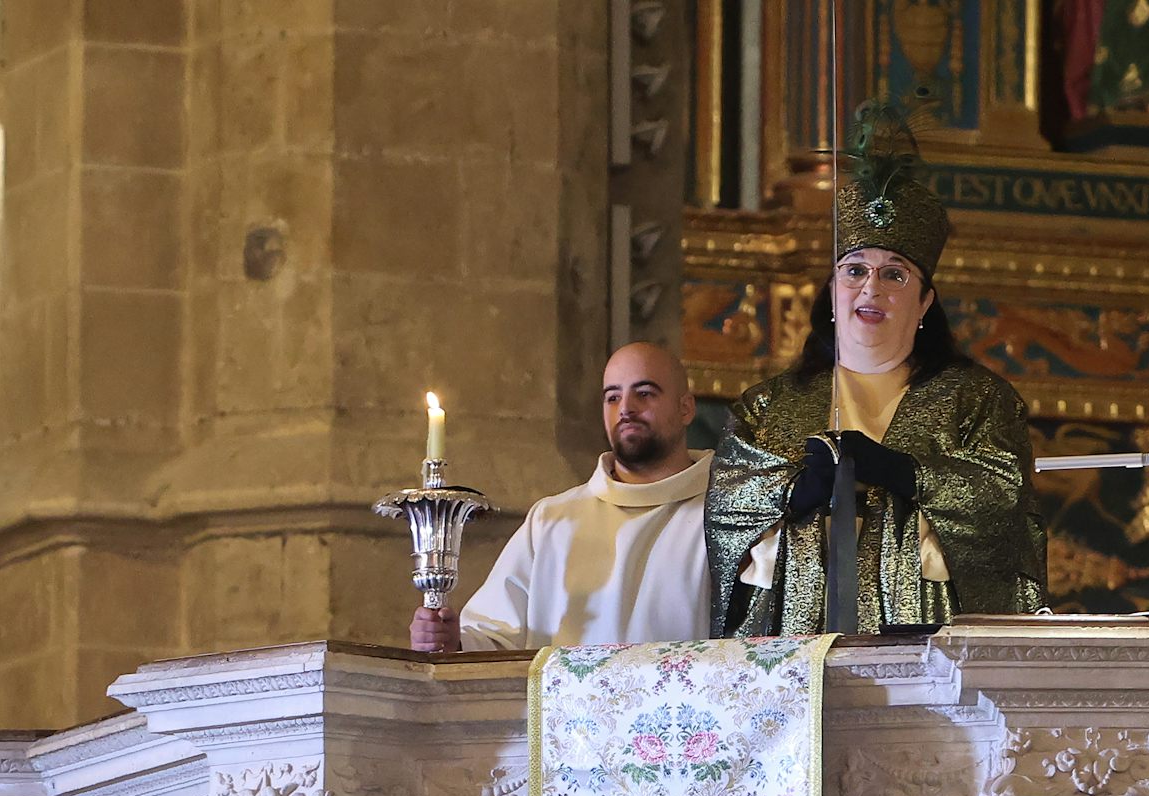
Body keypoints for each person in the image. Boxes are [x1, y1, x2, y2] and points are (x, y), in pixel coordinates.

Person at [706, 103, 1047, 637]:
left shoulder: (977, 399)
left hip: (925, 629)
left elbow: (1003, 502)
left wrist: (906, 473)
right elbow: (729, 503)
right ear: (834, 294)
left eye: (895, 275)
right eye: (855, 270)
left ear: (925, 303)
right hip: (796, 634)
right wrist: (794, 493)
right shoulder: (767, 406)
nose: (872, 288)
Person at [410, 342, 711, 651]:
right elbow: (493, 637)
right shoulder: (552, 519)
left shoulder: (726, 515)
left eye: (644, 393)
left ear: (685, 408)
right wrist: (453, 641)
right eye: (613, 397)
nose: (625, 408)